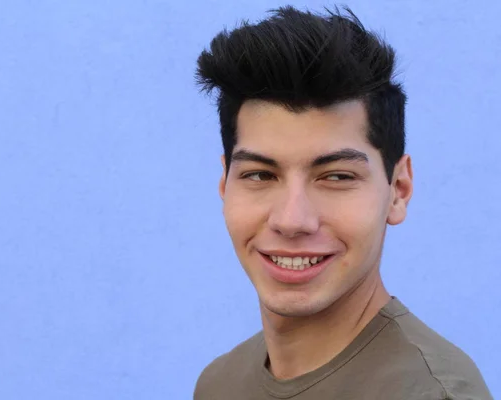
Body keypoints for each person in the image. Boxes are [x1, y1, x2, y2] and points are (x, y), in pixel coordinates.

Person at [193, 5, 492, 400]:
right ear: (225, 185)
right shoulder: (220, 383)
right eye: (261, 175)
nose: (292, 219)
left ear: (398, 191)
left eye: (336, 177)